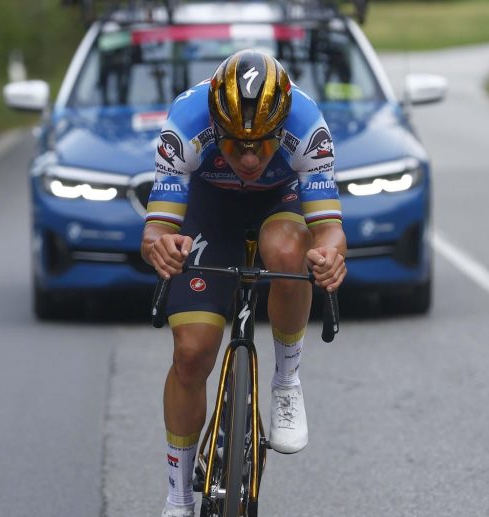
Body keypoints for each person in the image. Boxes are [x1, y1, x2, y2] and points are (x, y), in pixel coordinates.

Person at [142, 50, 347, 517]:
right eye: (236, 144)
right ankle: (177, 500)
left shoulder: (307, 124)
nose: (251, 158)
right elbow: (156, 231)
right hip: (209, 210)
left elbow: (330, 230)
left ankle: (286, 379)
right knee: (192, 354)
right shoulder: (186, 122)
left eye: (264, 144)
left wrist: (331, 255)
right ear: (215, 126)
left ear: (283, 129)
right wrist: (160, 246)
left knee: (291, 251)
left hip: (280, 203)